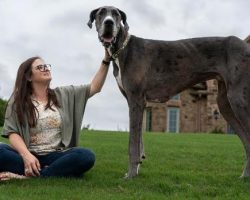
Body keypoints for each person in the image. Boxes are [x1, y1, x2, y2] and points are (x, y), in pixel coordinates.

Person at [0, 50, 111, 180]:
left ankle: (32, 176)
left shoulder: (63, 94)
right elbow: (12, 133)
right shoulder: (18, 100)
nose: (45, 68)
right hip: (28, 155)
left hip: (56, 155)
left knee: (86, 156)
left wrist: (106, 60)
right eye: (39, 67)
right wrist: (26, 156)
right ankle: (52, 171)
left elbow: (94, 87)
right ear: (29, 77)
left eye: (46, 66)